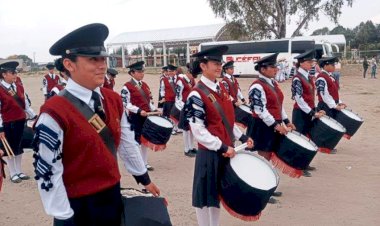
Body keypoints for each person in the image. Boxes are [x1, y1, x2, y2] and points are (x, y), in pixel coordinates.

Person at [33, 23, 160, 226]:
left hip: (112, 197)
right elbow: (48, 170)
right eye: (93, 59)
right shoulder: (54, 111)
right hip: (77, 205)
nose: (102, 65)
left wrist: (143, 178)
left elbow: (126, 144)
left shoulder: (113, 100)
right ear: (69, 64)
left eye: (103, 58)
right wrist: (64, 215)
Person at [184, 46, 253, 226]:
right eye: (215, 63)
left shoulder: (222, 88)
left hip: (226, 150)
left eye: (220, 63)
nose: (219, 67)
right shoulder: (196, 94)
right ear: (203, 66)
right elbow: (198, 130)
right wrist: (222, 146)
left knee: (216, 197)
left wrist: (243, 137)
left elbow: (228, 121)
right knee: (204, 198)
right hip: (210, 153)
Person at [248, 53, 295, 202]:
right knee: (263, 157)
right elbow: (260, 110)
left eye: (276, 66)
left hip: (272, 124)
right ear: (263, 69)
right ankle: (261, 189)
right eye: (273, 66)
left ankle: (268, 186)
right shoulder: (257, 86)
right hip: (262, 125)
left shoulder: (273, 83)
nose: (276, 69)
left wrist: (286, 121)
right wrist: (276, 125)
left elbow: (278, 105)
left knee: (269, 156)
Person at [0, 61, 36, 183]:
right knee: (9, 148)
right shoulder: (0, 89)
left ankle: (19, 171)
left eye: (16, 72)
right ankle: (13, 173)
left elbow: (25, 105)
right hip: (7, 124)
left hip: (21, 121)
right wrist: (0, 129)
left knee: (19, 147)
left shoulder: (19, 86)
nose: (15, 75)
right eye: (12, 72)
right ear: (4, 74)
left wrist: (34, 116)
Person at [291, 50, 325, 177]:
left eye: (312, 62)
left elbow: (310, 97)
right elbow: (299, 99)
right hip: (300, 113)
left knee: (307, 138)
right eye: (309, 62)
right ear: (301, 63)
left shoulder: (308, 76)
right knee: (300, 139)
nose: (311, 64)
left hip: (308, 111)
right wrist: (311, 112)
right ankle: (298, 165)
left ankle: (304, 163)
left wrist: (315, 109)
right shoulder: (297, 78)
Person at [121, 61, 158, 171]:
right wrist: (138, 110)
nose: (142, 73)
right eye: (139, 71)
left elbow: (148, 101)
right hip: (135, 117)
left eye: (143, 71)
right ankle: (138, 164)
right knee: (136, 141)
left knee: (145, 140)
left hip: (146, 115)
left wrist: (154, 109)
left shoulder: (145, 85)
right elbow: (125, 103)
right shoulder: (126, 87)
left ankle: (144, 163)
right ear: (132, 73)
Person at [175, 63, 196, 157]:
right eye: (193, 74)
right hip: (183, 108)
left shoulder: (192, 80)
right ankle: (186, 149)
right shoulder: (180, 81)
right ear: (188, 72)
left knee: (191, 129)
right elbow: (178, 97)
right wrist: (185, 107)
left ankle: (191, 147)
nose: (193, 77)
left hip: (191, 107)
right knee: (185, 129)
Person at [159, 64, 178, 134]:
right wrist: (163, 97)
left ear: (175, 71)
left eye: (172, 71)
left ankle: (176, 127)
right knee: (169, 115)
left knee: (176, 114)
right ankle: (171, 128)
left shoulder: (179, 79)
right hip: (168, 100)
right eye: (169, 71)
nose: (170, 73)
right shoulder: (164, 79)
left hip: (177, 100)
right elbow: (162, 89)